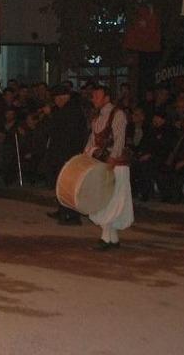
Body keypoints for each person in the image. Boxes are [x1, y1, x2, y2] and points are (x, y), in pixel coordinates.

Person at [84, 86, 134, 250]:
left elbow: (119, 139)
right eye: (93, 96)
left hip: (116, 166)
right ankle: (112, 238)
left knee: (112, 200)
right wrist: (85, 156)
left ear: (106, 98)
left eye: (97, 96)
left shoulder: (118, 114)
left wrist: (112, 160)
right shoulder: (97, 117)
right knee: (104, 199)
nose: (93, 99)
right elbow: (92, 139)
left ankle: (106, 238)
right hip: (102, 164)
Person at [42, 85, 88, 224]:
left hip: (68, 153)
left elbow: (63, 130)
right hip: (61, 152)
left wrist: (51, 114)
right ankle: (63, 210)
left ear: (62, 97)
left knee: (68, 185)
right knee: (61, 183)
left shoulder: (72, 110)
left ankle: (71, 215)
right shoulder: (65, 110)